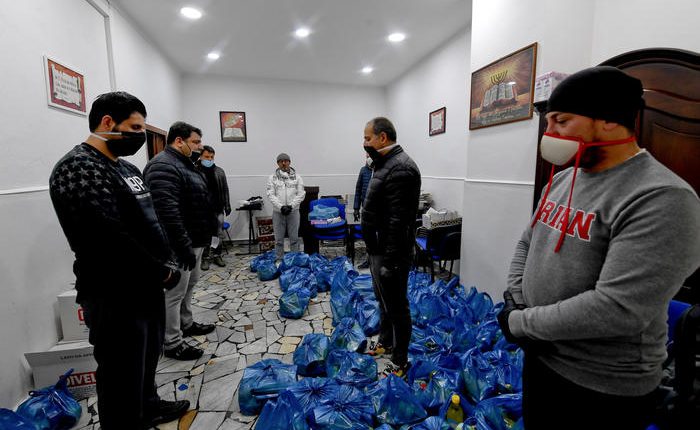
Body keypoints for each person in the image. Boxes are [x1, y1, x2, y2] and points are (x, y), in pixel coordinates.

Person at [497, 66, 700, 429]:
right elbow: (528, 241)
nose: (550, 133)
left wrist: (521, 321)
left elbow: (618, 308)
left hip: (600, 384)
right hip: (541, 358)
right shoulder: (561, 180)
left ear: (608, 120)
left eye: (561, 121)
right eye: (548, 123)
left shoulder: (662, 198)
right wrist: (515, 299)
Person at [49, 91, 189, 429]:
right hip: (114, 291)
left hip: (146, 287)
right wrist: (157, 269)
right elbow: (105, 236)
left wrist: (167, 260)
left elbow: (149, 219)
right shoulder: (77, 168)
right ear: (107, 122)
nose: (140, 135)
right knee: (120, 369)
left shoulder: (126, 167)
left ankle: (148, 406)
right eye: (134, 127)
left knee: (146, 359)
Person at [144, 121, 218, 361]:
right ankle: (172, 341)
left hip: (193, 240)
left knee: (189, 285)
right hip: (178, 244)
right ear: (179, 140)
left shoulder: (184, 164)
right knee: (174, 292)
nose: (199, 147)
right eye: (195, 142)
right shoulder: (163, 166)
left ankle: (186, 324)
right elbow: (167, 212)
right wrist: (183, 246)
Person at [361, 117, 421, 379]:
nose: (364, 143)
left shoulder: (401, 169)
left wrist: (391, 262)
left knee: (398, 306)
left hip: (391, 252)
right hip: (379, 248)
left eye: (367, 138)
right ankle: (386, 342)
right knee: (384, 301)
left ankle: (401, 361)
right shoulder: (384, 164)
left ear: (382, 138)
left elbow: (399, 221)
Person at [266, 153, 306, 259]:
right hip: (278, 213)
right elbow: (270, 194)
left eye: (286, 161)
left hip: (293, 212)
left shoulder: (297, 177)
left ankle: (294, 260)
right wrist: (281, 207)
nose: (284, 163)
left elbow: (301, 194)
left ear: (289, 162)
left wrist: (291, 206)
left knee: (294, 238)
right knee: (278, 240)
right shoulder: (272, 178)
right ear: (277, 163)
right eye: (281, 161)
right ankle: (279, 259)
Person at [199, 145, 231, 270]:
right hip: (203, 210)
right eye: (206, 157)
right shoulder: (195, 171)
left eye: (211, 157)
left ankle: (217, 255)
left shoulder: (219, 171)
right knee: (205, 234)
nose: (209, 159)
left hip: (218, 208)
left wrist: (227, 205)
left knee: (218, 233)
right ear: (201, 156)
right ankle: (205, 258)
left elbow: (225, 189)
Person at [353, 154, 373, 269]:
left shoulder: (381, 169)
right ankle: (368, 259)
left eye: (371, 155)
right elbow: (358, 190)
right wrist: (356, 208)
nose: (369, 157)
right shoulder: (363, 170)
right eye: (367, 155)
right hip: (366, 208)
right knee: (367, 236)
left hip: (379, 210)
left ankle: (378, 261)